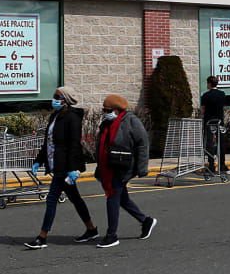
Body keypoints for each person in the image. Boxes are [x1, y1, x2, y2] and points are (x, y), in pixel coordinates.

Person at [25, 87, 97, 249]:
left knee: (51, 200)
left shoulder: (73, 118)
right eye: (54, 96)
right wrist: (38, 160)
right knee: (75, 198)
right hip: (55, 163)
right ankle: (91, 229)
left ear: (65, 100)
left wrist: (72, 168)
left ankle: (42, 237)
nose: (54, 99)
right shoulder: (55, 116)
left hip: (64, 166)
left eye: (57, 97)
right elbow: (48, 142)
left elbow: (73, 145)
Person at [93, 94, 156, 248]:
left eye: (108, 110)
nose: (105, 112)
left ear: (116, 109)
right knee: (122, 199)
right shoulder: (107, 123)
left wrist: (142, 168)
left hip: (123, 166)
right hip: (109, 166)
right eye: (104, 110)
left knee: (112, 197)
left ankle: (111, 235)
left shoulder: (131, 121)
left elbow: (142, 143)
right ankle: (146, 221)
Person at [200, 76, 228, 173]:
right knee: (221, 143)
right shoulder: (222, 94)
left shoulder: (205, 95)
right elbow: (223, 107)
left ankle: (211, 165)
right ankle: (222, 164)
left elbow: (203, 109)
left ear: (209, 84)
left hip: (209, 122)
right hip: (219, 121)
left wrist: (203, 114)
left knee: (209, 144)